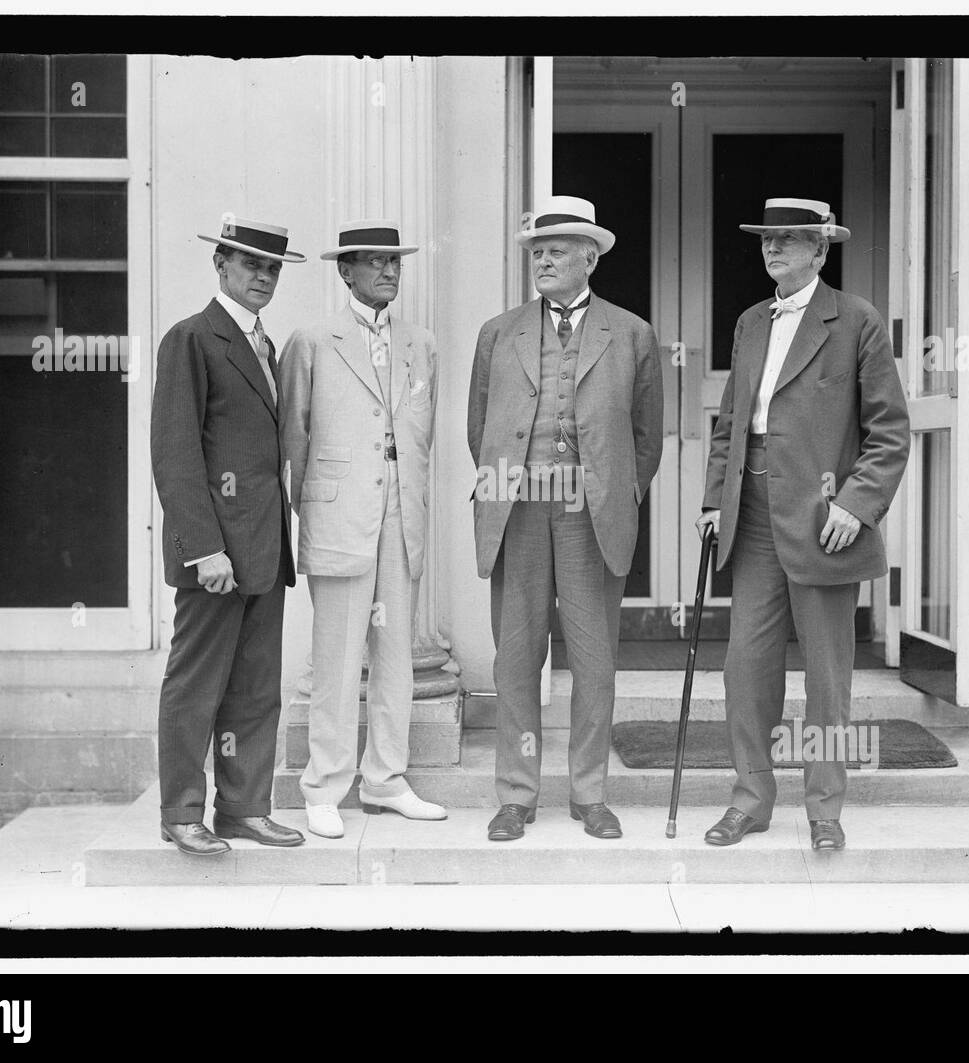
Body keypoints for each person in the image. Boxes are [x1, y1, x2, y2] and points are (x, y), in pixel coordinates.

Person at [698, 197, 910, 851]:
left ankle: (825, 810)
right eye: (767, 238)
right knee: (746, 666)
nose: (773, 249)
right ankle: (751, 799)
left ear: (821, 251)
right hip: (754, 513)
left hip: (824, 517)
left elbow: (890, 432)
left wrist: (855, 503)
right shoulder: (750, 322)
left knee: (827, 674)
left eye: (789, 239)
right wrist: (713, 499)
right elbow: (731, 424)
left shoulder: (857, 322)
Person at [467, 195, 664, 842]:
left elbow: (646, 438)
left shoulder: (631, 332)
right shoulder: (499, 332)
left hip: (590, 513)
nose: (543, 258)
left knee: (594, 658)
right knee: (516, 658)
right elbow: (481, 429)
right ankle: (516, 795)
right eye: (536, 250)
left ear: (591, 256)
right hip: (518, 509)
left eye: (556, 249)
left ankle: (589, 793)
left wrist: (610, 494)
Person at [279, 219, 445, 840]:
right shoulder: (313, 340)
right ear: (345, 271)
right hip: (339, 517)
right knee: (338, 657)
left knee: (396, 654)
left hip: (400, 517)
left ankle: (386, 780)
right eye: (374, 262)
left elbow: (419, 438)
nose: (388, 272)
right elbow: (291, 438)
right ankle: (323, 786)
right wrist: (309, 511)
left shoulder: (420, 343)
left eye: (395, 262)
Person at [151, 214, 307, 855]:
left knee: (254, 689)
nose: (263, 277)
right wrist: (204, 548)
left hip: (264, 553)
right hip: (216, 555)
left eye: (271, 268)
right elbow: (176, 453)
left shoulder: (264, 346)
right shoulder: (192, 338)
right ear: (220, 265)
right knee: (195, 686)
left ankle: (243, 808)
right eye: (250, 265)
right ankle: (181, 812)